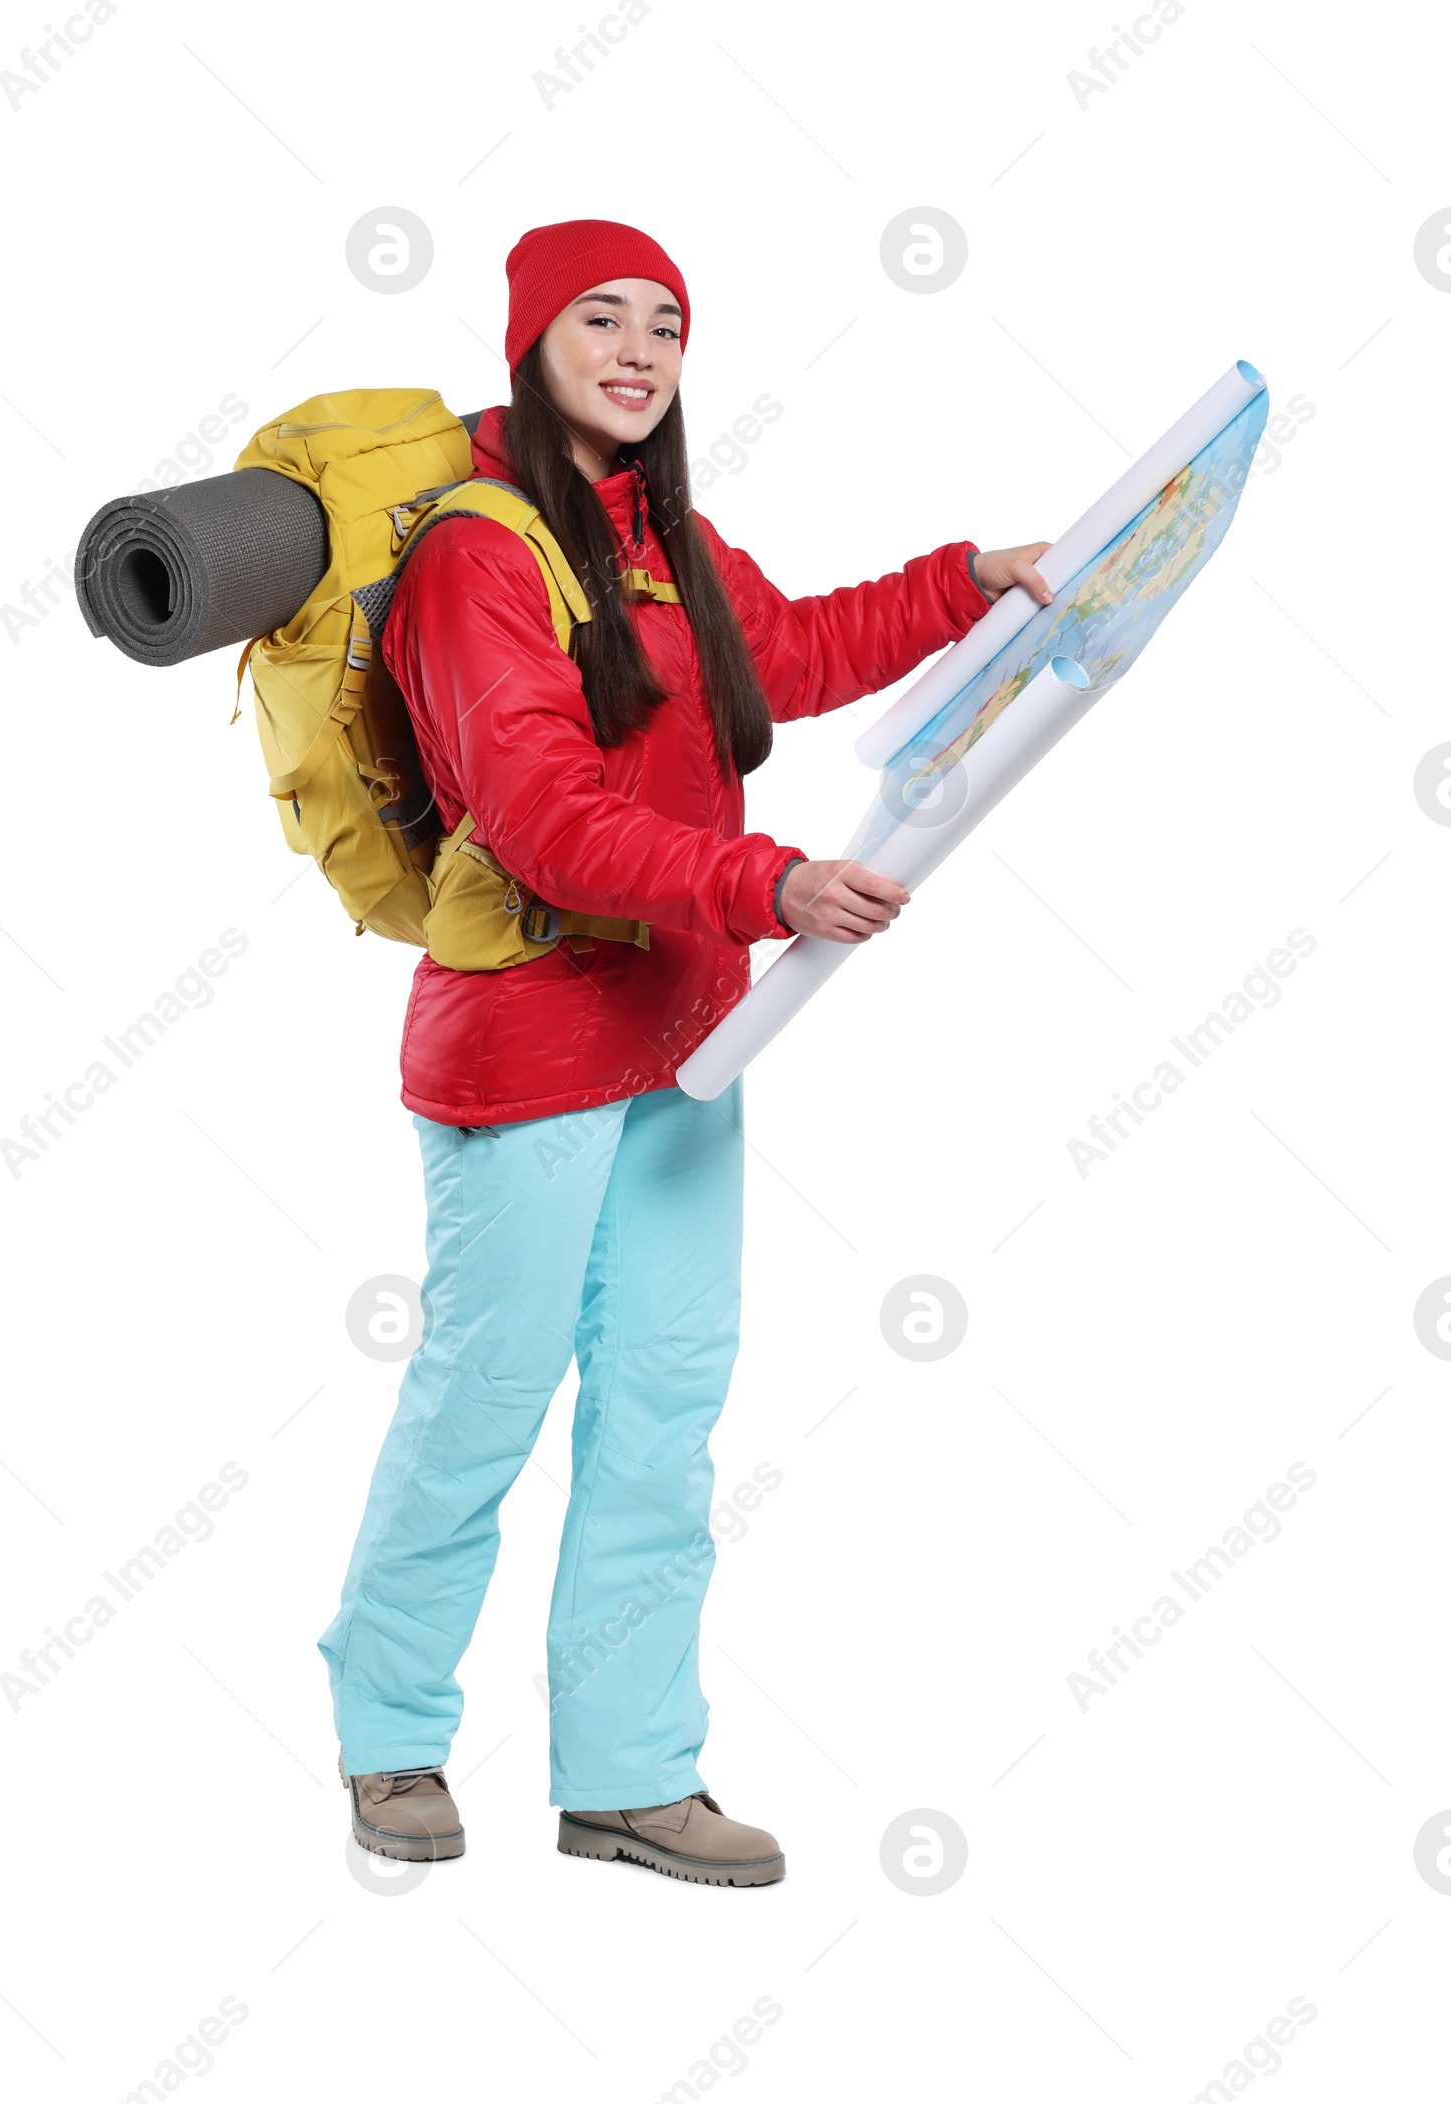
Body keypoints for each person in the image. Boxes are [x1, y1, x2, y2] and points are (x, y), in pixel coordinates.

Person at [318, 218, 1051, 1887]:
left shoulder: (665, 536)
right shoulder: (477, 558)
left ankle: (631, 1774)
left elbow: (779, 660)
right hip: (524, 1055)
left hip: (687, 1046)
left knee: (661, 1409)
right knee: (484, 1403)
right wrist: (764, 879)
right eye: (601, 318)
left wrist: (963, 584)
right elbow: (545, 822)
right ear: (532, 339)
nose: (640, 350)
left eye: (666, 323)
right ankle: (389, 1738)